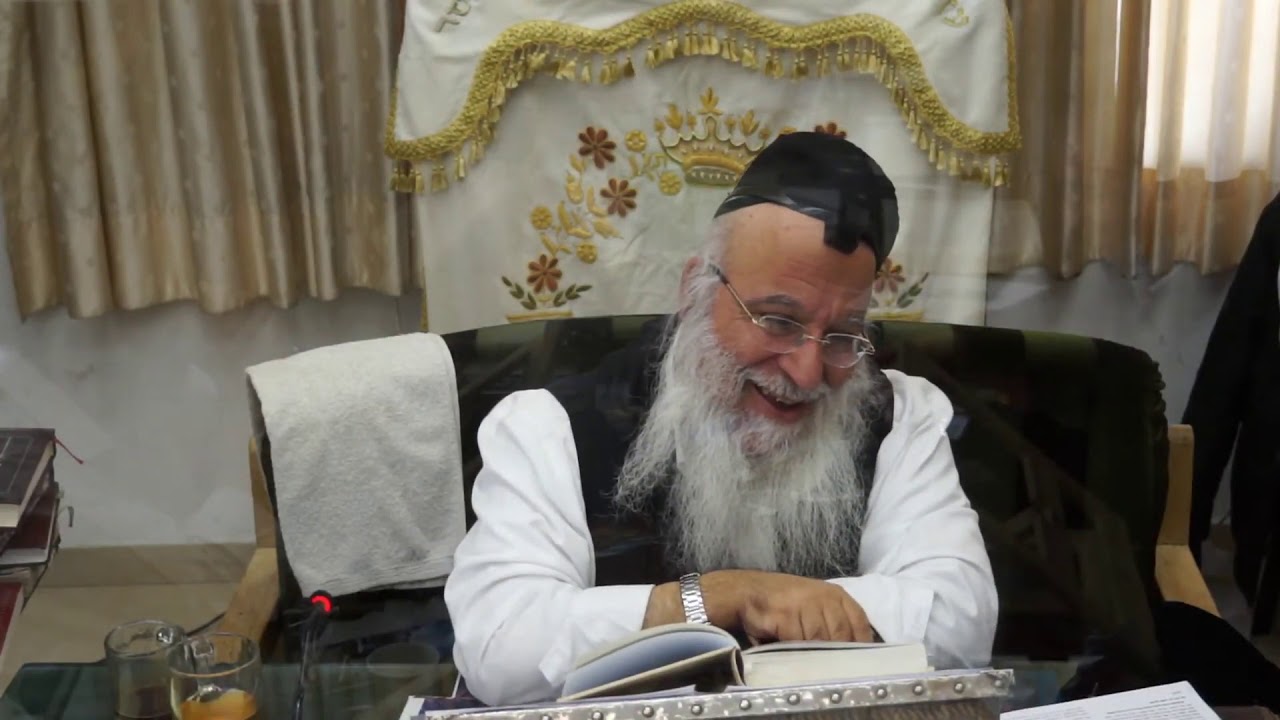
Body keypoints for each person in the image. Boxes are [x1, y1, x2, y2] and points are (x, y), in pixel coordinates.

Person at [443, 131, 998, 705]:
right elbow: (499, 651)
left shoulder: (897, 415)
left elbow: (962, 622)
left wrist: (789, 601)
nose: (807, 372)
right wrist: (715, 598)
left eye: (841, 335)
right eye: (778, 321)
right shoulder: (550, 427)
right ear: (695, 292)